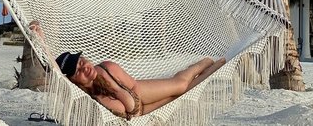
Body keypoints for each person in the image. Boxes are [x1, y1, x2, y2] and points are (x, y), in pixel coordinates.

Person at [29, 20, 225, 119]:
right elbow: (56, 73)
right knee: (181, 95)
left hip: (138, 94)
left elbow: (133, 92)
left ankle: (203, 63)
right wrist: (41, 42)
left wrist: (128, 96)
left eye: (82, 61)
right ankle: (213, 67)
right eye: (78, 70)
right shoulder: (83, 97)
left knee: (181, 86)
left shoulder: (107, 68)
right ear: (73, 81)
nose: (85, 67)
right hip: (139, 114)